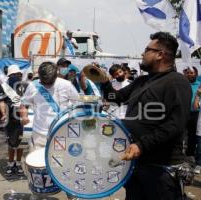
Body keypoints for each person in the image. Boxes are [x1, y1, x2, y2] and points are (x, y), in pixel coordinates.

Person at [101, 32, 191, 200]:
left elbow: (175, 125)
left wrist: (141, 145)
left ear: (160, 54)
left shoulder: (177, 82)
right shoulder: (141, 81)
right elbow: (117, 98)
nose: (142, 54)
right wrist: (105, 82)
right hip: (136, 165)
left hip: (160, 169)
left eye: (146, 49)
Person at [20, 61, 79, 150]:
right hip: (39, 134)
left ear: (56, 75)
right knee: (37, 162)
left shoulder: (66, 85)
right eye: (44, 82)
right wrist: (24, 116)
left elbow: (77, 103)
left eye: (50, 82)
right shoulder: (33, 86)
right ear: (39, 76)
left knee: (58, 161)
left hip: (60, 132)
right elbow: (23, 104)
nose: (47, 86)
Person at [0, 65, 28, 176]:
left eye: (19, 75)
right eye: (14, 75)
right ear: (9, 76)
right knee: (11, 143)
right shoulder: (4, 87)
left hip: (23, 119)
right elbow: (1, 102)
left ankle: (18, 163)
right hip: (10, 119)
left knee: (21, 143)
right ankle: (10, 164)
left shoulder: (25, 86)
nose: (17, 76)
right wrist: (4, 114)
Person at [183, 67, 200, 161]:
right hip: (182, 113)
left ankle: (190, 154)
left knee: (192, 134)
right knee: (180, 133)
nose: (189, 74)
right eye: (188, 73)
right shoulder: (182, 84)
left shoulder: (199, 85)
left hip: (195, 114)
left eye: (191, 73)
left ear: (196, 74)